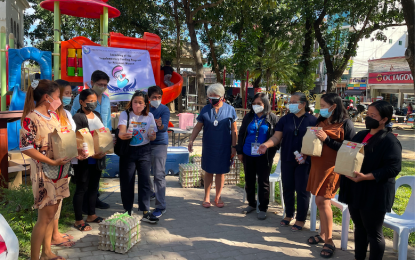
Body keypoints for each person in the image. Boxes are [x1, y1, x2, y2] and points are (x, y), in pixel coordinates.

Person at [339, 100, 402, 260]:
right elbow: (348, 154)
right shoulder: (360, 135)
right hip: (356, 190)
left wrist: (366, 177)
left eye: (373, 115)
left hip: (375, 192)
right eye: (368, 114)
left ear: (384, 119)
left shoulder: (389, 141)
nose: (368, 118)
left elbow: (393, 168)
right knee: (359, 228)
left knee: (373, 233)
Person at [20, 79, 71, 260]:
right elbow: (26, 147)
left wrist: (74, 152)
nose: (60, 100)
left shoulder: (54, 116)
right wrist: (51, 160)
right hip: (44, 173)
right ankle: (35, 257)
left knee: (52, 214)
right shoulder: (31, 118)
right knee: (44, 217)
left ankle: (47, 252)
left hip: (60, 171)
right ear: (48, 97)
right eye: (58, 96)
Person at [305, 93, 356, 258]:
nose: (321, 108)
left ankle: (329, 241)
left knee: (322, 200)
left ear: (334, 106)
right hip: (317, 166)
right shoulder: (320, 120)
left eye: (324, 105)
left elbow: (350, 150)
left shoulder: (346, 123)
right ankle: (323, 233)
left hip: (332, 169)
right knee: (319, 201)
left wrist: (327, 140)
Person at [258, 92, 317, 231]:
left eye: (294, 102)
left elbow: (316, 142)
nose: (290, 104)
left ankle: (301, 219)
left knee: (302, 190)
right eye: (290, 101)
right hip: (287, 158)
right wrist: (266, 144)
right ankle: (289, 214)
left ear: (303, 104)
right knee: (288, 187)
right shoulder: (285, 119)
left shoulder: (313, 120)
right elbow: (277, 137)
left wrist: (306, 155)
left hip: (305, 161)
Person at [188, 83, 238, 208]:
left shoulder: (230, 110)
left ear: (221, 96)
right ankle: (206, 197)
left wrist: (234, 147)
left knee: (221, 172)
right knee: (208, 171)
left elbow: (234, 131)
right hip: (209, 146)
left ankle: (218, 196)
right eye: (210, 96)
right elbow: (198, 127)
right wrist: (191, 140)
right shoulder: (205, 109)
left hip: (224, 147)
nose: (212, 98)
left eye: (214, 96)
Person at [71, 70, 111, 210]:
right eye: (100, 84)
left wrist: (108, 141)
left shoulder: (106, 99)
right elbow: (75, 119)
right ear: (92, 83)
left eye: (105, 84)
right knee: (84, 179)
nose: (102, 86)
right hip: (85, 143)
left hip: (100, 142)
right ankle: (83, 207)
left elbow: (108, 121)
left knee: (96, 176)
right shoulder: (80, 99)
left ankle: (94, 202)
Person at [235, 93, 279, 220]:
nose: (256, 106)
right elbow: (242, 133)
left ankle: (263, 207)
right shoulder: (248, 117)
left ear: (265, 104)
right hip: (248, 153)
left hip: (264, 156)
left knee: (263, 181)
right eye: (253, 104)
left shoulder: (272, 118)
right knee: (249, 180)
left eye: (259, 104)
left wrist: (270, 150)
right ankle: (252, 204)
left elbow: (277, 137)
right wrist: (239, 151)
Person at [117, 90, 159, 223]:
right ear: (131, 103)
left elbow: (153, 136)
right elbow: (121, 132)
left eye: (140, 102)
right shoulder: (125, 114)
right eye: (135, 102)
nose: (137, 105)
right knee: (127, 181)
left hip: (144, 151)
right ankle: (127, 211)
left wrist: (152, 136)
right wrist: (123, 135)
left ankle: (146, 210)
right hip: (128, 151)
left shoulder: (149, 116)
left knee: (145, 181)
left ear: (145, 104)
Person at [72, 89, 107, 231]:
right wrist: (93, 153)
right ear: (81, 102)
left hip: (97, 159)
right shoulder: (78, 117)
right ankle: (78, 219)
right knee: (81, 189)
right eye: (90, 101)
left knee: (93, 187)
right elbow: (80, 139)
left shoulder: (97, 115)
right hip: (84, 160)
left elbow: (102, 134)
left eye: (95, 101)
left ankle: (91, 214)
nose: (93, 103)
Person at [50, 79, 77, 247]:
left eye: (70, 93)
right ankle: (52, 235)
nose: (69, 97)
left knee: (59, 198)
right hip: (52, 163)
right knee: (52, 199)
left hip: (66, 162)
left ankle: (55, 231)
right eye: (66, 94)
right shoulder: (49, 115)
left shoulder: (66, 114)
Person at [148, 86, 170, 218]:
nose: (156, 100)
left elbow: (164, 127)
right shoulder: (145, 108)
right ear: (148, 98)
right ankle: (150, 192)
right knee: (144, 172)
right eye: (153, 98)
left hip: (159, 143)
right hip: (144, 143)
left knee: (158, 174)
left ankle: (161, 206)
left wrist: (160, 125)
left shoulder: (164, 109)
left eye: (158, 97)